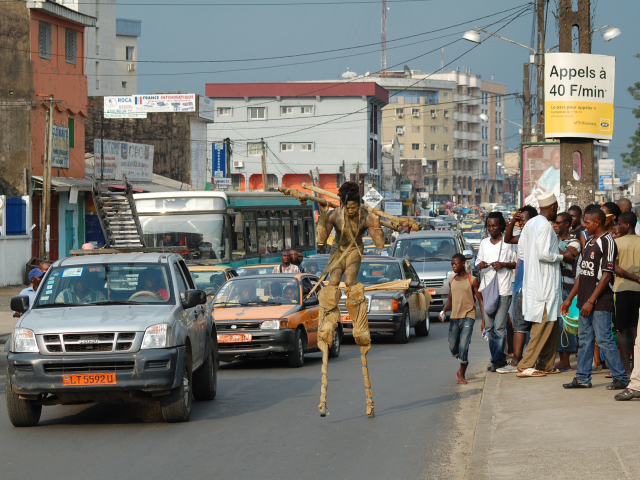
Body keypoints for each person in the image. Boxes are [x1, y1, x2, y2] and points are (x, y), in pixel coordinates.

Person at [561, 208, 629, 390]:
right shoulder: (590, 241)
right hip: (584, 301)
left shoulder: (608, 242)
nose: (585, 226)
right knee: (584, 340)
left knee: (605, 339)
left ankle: (621, 377)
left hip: (600, 302)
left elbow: (607, 275)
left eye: (588, 223)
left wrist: (591, 301)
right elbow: (582, 274)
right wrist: (570, 299)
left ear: (597, 223)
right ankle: (582, 377)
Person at [516, 192, 564, 378]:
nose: (556, 211)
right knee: (543, 323)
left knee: (553, 322)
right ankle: (526, 364)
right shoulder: (544, 226)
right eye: (556, 208)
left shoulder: (530, 224)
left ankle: (546, 364)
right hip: (544, 282)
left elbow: (521, 252)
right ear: (552, 207)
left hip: (536, 280)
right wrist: (562, 257)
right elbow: (544, 254)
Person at [497, 205, 538, 373]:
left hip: (531, 286)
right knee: (518, 324)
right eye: (520, 221)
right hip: (519, 285)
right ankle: (516, 360)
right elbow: (507, 239)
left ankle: (522, 360)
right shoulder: (522, 237)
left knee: (527, 324)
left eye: (524, 220)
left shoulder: (536, 237)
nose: (522, 223)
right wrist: (513, 221)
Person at [475, 212, 517, 372]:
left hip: (504, 288)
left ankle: (498, 360)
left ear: (501, 226)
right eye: (489, 225)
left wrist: (504, 264)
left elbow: (516, 262)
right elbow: (477, 260)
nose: (492, 228)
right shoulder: (484, 243)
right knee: (490, 327)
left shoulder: (508, 243)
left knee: (500, 327)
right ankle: (496, 358)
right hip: (487, 288)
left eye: (495, 225)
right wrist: (481, 264)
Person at [439, 253, 485, 384]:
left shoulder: (473, 280)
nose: (453, 266)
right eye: (452, 264)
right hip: (454, 317)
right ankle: (462, 358)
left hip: (468, 317)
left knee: (464, 345)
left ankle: (462, 373)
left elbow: (480, 301)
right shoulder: (452, 280)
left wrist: (483, 321)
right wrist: (443, 311)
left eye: (456, 264)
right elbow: (450, 299)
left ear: (463, 263)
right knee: (453, 347)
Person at [611, 211, 640, 378]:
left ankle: (627, 371)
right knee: (635, 329)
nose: (618, 227)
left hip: (621, 289)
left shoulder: (617, 243)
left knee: (621, 330)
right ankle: (637, 368)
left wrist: (633, 277)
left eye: (620, 224)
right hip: (638, 290)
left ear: (627, 225)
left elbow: (614, 268)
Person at [554, 212, 582, 372]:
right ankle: (561, 359)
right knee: (558, 325)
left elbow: (569, 257)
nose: (556, 225)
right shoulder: (555, 240)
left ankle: (565, 361)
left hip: (568, 289)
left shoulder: (574, 242)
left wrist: (552, 244)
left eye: (559, 223)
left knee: (567, 326)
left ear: (567, 224)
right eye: (554, 223)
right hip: (556, 288)